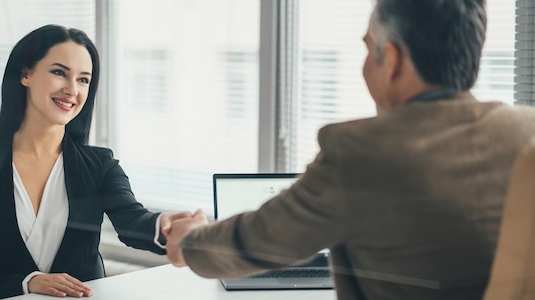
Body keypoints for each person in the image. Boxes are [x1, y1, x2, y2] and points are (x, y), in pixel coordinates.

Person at [164, 0, 535, 299]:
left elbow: (259, 240)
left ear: (391, 60)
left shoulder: (363, 152)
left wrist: (192, 239)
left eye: (367, 49)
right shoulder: (526, 131)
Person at [0, 24, 190, 300]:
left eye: (84, 79)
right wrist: (28, 283)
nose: (72, 90)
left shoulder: (100, 165)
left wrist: (167, 225)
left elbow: (132, 220)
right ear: (26, 74)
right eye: (59, 72)